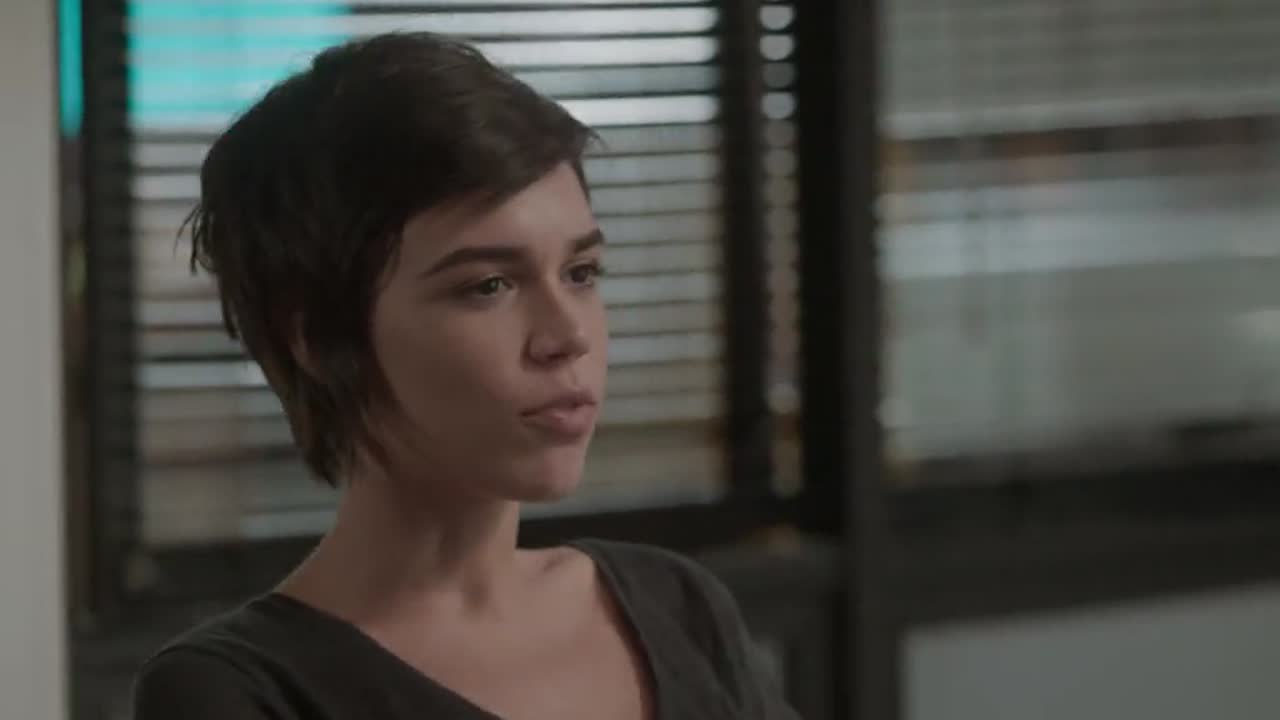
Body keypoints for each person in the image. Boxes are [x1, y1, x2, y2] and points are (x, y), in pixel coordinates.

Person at [131, 32, 800, 720]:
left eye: (580, 273)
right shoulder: (239, 693)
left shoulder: (677, 607)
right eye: (488, 285)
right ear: (314, 337)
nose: (567, 336)